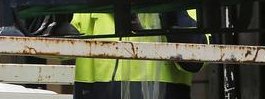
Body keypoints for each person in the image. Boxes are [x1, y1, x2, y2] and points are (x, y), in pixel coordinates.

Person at [72, 11, 206, 99]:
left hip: (167, 93)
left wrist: (172, 10)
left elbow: (196, 61)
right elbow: (59, 43)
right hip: (99, 93)